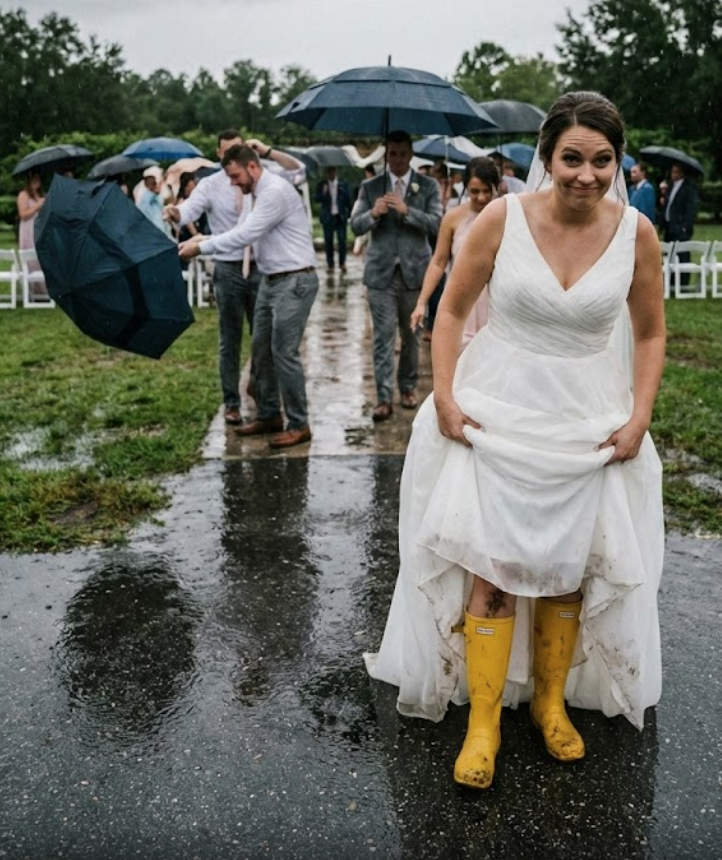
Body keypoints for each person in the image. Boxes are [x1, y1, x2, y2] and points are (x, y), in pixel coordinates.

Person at [364, 91, 666, 791]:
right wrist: (445, 395)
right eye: (572, 158)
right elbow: (452, 311)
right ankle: (484, 723)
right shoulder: (502, 218)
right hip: (499, 412)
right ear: (546, 158)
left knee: (571, 566)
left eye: (602, 160)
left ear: (617, 162)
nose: (586, 174)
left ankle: (550, 705)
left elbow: (650, 332)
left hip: (589, 418)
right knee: (493, 569)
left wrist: (639, 416)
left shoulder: (637, 233)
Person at [179, 145, 319, 450]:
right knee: (260, 350)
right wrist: (204, 237)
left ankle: (299, 424)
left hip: (295, 279)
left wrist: (201, 247)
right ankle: (269, 415)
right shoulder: (254, 193)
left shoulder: (274, 192)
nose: (232, 183)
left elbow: (246, 234)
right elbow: (241, 229)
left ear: (252, 167)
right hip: (271, 279)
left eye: (235, 176)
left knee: (283, 352)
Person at [350, 130, 443, 421]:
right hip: (380, 274)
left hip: (415, 273)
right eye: (393, 154)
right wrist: (374, 213)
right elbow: (355, 225)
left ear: (411, 154)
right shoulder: (370, 187)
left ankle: (408, 388)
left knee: (411, 336)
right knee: (383, 337)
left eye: (403, 154)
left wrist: (407, 211)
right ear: (386, 155)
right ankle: (383, 397)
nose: (398, 159)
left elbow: (437, 224)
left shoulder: (427, 186)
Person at [410, 157, 500, 347]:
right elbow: (438, 262)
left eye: (487, 191)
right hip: (461, 301)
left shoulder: (506, 215)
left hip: (496, 303)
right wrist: (421, 303)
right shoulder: (452, 218)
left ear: (496, 187)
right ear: (465, 188)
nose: (481, 198)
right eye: (475, 191)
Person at [662, 162, 699, 286]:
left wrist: (685, 226)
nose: (673, 174)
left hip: (680, 227)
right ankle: (670, 282)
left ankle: (683, 283)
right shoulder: (670, 186)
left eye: (676, 172)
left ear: (682, 173)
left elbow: (691, 208)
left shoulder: (689, 188)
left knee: (682, 255)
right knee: (669, 255)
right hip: (669, 226)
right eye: (672, 171)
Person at [315, 166, 352, 273]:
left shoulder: (343, 184)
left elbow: (348, 199)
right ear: (327, 173)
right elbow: (317, 199)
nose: (331, 174)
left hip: (340, 217)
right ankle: (330, 264)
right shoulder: (322, 185)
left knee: (342, 240)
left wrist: (350, 214)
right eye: (329, 172)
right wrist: (324, 193)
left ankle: (342, 263)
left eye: (332, 172)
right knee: (328, 241)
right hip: (328, 217)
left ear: (336, 172)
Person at [16, 171, 45, 252]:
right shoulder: (23, 195)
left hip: (40, 228)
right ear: (29, 181)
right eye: (33, 179)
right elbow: (23, 215)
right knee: (31, 253)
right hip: (29, 228)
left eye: (38, 179)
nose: (36, 181)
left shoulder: (41, 195)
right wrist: (37, 205)